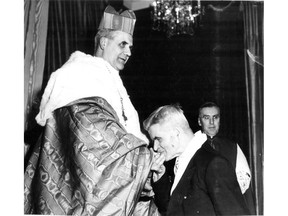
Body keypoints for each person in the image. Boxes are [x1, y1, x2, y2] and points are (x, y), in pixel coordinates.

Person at [24, 5, 160, 215]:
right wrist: (143, 158)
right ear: (103, 42)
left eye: (130, 46)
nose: (129, 52)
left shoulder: (114, 82)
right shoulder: (79, 74)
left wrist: (148, 171)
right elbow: (89, 137)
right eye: (123, 44)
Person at [143, 104, 252, 215]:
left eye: (158, 139)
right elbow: (171, 211)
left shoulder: (213, 164)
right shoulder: (184, 163)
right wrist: (159, 175)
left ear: (176, 133)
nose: (155, 147)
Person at [198, 101, 255, 214]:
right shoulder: (191, 146)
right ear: (199, 121)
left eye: (215, 117)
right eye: (206, 118)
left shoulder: (233, 147)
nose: (211, 122)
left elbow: (244, 179)